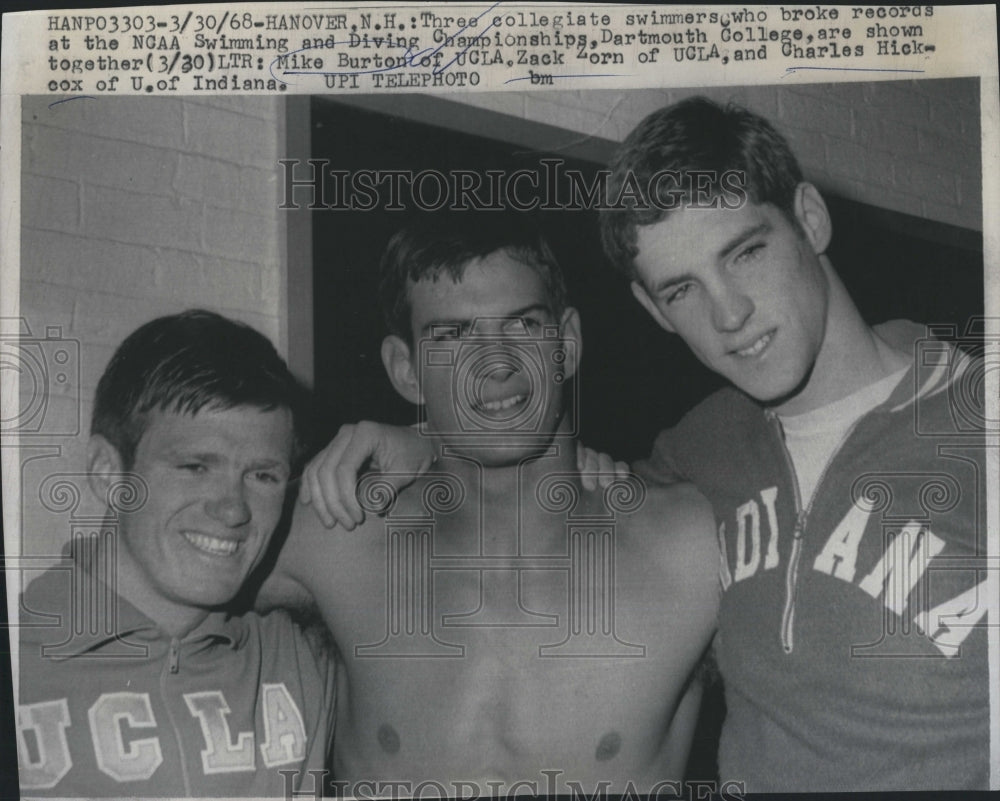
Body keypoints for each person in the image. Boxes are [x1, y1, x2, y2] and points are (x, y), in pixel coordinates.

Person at [299, 98, 990, 792]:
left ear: (809, 219)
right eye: (683, 288)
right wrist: (425, 438)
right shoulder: (705, 451)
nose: (730, 311)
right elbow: (544, 480)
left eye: (745, 251)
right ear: (654, 309)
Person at [259, 216, 720, 795]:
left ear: (567, 344)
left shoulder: (692, 544)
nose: (496, 364)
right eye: (452, 336)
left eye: (524, 324)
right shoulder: (336, 533)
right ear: (406, 370)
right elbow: (139, 572)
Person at [16, 310, 336, 797]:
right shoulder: (23, 660)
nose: (232, 510)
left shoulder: (298, 654)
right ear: (108, 473)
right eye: (194, 466)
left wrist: (422, 446)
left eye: (262, 475)